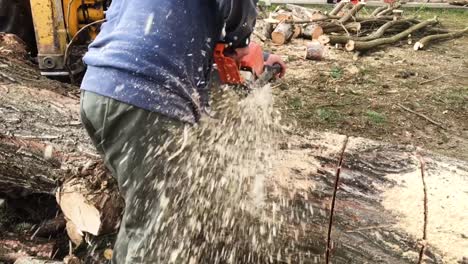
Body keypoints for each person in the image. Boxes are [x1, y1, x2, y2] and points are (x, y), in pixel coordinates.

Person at [79, 0, 286, 263]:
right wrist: (241, 40)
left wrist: (259, 57)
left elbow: (168, 34)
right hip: (147, 99)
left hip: (98, 90)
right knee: (159, 231)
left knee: (143, 215)